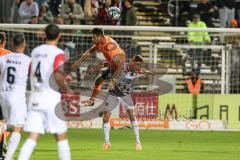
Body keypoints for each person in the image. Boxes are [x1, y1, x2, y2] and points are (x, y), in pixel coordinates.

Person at [18, 24, 72, 160]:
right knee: (61, 136)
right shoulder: (58, 53)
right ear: (59, 36)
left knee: (32, 137)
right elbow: (58, 76)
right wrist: (67, 89)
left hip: (35, 98)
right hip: (51, 99)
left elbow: (30, 71)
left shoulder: (35, 51)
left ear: (44, 34)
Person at [100, 55, 145, 151]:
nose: (138, 67)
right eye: (137, 64)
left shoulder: (138, 71)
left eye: (140, 65)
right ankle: (107, 143)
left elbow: (136, 76)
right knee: (106, 116)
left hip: (125, 94)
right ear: (132, 61)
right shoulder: (123, 67)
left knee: (131, 115)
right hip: (113, 93)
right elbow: (115, 70)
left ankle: (138, 142)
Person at [72, 27, 126, 106]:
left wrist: (113, 81)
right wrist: (79, 61)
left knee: (113, 88)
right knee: (98, 81)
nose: (92, 39)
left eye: (94, 37)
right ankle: (92, 101)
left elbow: (120, 66)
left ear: (100, 36)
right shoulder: (99, 42)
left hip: (119, 66)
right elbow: (90, 51)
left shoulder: (110, 46)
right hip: (113, 64)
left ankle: (121, 103)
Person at [0, 34, 31, 160]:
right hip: (16, 97)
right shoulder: (28, 60)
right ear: (24, 44)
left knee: (4, 123)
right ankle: (7, 157)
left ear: (12, 44)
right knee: (18, 127)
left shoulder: (3, 59)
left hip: (2, 95)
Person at [0, 32, 11, 160]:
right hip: (4, 94)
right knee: (3, 123)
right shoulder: (9, 55)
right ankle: (2, 151)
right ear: (4, 41)